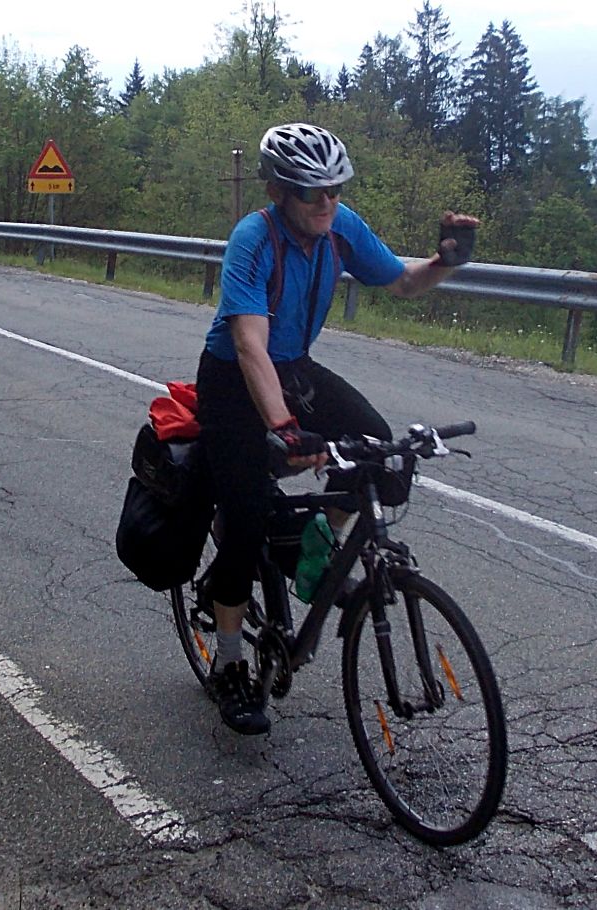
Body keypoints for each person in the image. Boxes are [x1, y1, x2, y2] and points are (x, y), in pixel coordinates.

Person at [196, 122, 479, 735]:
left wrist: (444, 263)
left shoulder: (339, 227)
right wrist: (284, 428)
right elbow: (249, 343)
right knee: (244, 522)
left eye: (335, 190)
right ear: (279, 191)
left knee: (384, 461)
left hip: (293, 368)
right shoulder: (253, 239)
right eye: (311, 192)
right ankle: (229, 661)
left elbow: (402, 280)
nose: (327, 202)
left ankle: (316, 553)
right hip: (233, 380)